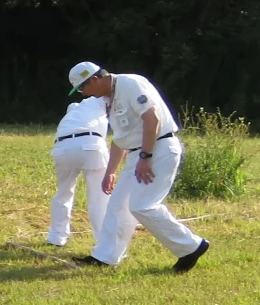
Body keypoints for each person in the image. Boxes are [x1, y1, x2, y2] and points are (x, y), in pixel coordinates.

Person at [67, 61, 210, 272]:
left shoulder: (130, 84)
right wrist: (110, 172)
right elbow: (120, 139)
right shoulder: (108, 99)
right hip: (138, 153)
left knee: (143, 206)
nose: (83, 94)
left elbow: (152, 120)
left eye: (82, 88)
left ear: (95, 80)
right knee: (117, 204)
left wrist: (146, 157)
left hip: (158, 149)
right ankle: (104, 257)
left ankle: (192, 246)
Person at [47, 89, 110, 250]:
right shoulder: (100, 100)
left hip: (62, 147)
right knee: (99, 196)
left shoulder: (73, 113)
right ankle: (104, 243)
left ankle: (56, 237)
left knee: (63, 192)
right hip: (92, 145)